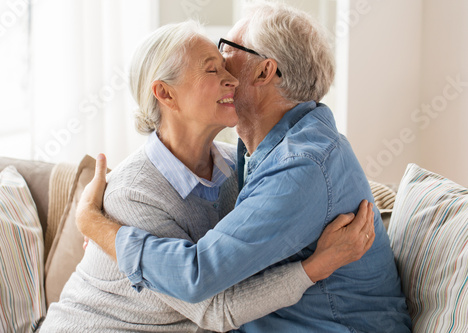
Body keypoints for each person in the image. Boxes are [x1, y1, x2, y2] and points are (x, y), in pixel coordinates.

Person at [77, 2, 413, 332]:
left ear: (264, 71)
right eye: (212, 65)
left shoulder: (299, 165)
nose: (223, 65)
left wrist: (93, 224)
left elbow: (198, 276)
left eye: (226, 50)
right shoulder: (257, 151)